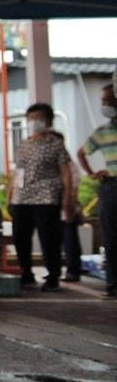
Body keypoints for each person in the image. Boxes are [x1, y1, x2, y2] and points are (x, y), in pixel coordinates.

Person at [10, 102, 77, 292]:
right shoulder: (24, 145)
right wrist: (10, 196)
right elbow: (17, 172)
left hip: (47, 196)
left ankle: (53, 276)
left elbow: (66, 171)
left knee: (49, 238)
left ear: (47, 121)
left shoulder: (55, 144)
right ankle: (26, 274)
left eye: (37, 118)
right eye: (30, 119)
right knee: (20, 236)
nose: (33, 122)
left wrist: (67, 197)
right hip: (22, 197)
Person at [77, 84, 117, 298]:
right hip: (111, 185)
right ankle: (113, 283)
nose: (105, 105)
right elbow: (81, 152)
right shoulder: (102, 132)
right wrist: (92, 173)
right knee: (111, 236)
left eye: (109, 100)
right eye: (103, 101)